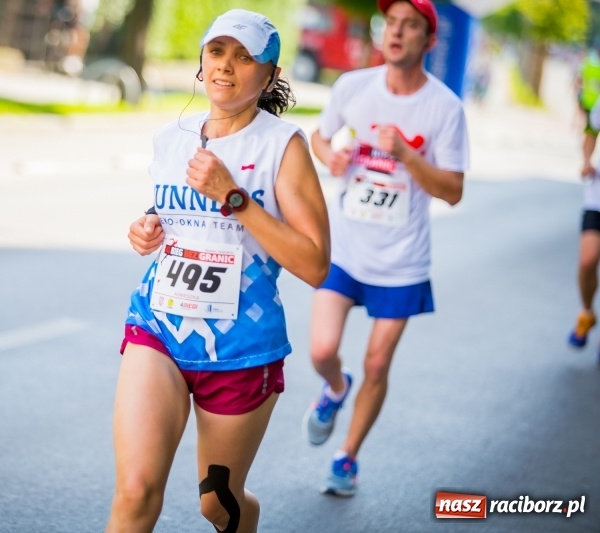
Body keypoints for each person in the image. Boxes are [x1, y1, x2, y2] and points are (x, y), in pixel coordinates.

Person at [107, 9, 330, 532]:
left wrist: (234, 196)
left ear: (270, 75)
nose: (226, 66)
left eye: (244, 56)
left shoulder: (283, 146)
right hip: (158, 325)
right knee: (136, 490)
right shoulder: (172, 137)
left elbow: (316, 264)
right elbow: (172, 211)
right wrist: (148, 226)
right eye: (217, 52)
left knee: (219, 503)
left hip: (239, 345)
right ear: (202, 64)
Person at [302, 0, 469, 497]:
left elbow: (454, 191)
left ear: (427, 40)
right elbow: (318, 135)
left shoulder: (444, 108)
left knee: (378, 364)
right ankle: (335, 387)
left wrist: (408, 156)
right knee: (322, 349)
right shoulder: (353, 87)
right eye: (391, 23)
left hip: (401, 261)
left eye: (410, 25)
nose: (396, 32)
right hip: (345, 248)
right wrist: (332, 156)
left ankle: (346, 457)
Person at [568, 99, 600, 359]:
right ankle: (586, 313)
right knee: (588, 260)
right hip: (597, 197)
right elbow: (591, 132)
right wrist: (587, 159)